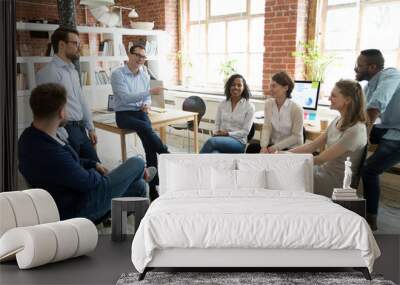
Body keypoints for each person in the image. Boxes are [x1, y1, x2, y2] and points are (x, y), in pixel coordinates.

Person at [18, 83, 156, 221]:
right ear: (61, 112)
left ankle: (116, 215)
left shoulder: (29, 137)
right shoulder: (50, 152)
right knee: (137, 162)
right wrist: (100, 175)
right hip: (76, 208)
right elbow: (87, 182)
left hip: (68, 196)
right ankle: (141, 173)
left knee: (139, 187)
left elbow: (69, 163)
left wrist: (93, 164)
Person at [289, 79, 367, 198]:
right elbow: (312, 146)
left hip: (336, 183)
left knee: (288, 176)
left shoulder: (355, 130)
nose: (329, 98)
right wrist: (285, 153)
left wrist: (289, 160)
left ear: (347, 100)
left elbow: (320, 159)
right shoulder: (337, 119)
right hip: (323, 171)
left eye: (333, 96)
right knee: (287, 173)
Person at [110, 43, 169, 201]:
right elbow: (125, 97)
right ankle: (165, 152)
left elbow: (147, 98)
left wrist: (147, 103)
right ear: (130, 55)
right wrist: (149, 92)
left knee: (149, 146)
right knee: (146, 127)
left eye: (143, 57)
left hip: (140, 111)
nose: (141, 59)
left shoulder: (144, 74)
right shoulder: (118, 74)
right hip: (123, 114)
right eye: (138, 55)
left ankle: (153, 188)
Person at [36, 26, 99, 163]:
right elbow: (49, 111)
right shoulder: (49, 73)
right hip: (66, 131)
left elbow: (81, 101)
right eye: (75, 43)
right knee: (76, 173)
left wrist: (91, 127)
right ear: (62, 44)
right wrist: (61, 136)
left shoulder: (73, 71)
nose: (79, 47)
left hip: (80, 129)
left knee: (96, 167)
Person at [354, 49, 400, 230]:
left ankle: (371, 220)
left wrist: (362, 134)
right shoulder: (368, 86)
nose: (355, 69)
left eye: (359, 65)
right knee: (351, 150)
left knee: (369, 170)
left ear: (372, 67)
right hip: (386, 128)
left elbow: (375, 107)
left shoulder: (391, 75)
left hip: (397, 133)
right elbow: (361, 113)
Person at [246, 71, 303, 153]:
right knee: (251, 148)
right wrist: (264, 147)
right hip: (272, 146)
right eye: (270, 86)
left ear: (286, 88)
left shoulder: (296, 109)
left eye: (274, 86)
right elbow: (267, 127)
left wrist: (275, 148)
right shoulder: (269, 104)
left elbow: (296, 137)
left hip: (290, 149)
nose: (270, 89)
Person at [200, 74, 255, 153]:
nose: (236, 87)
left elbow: (245, 132)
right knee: (214, 154)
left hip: (238, 142)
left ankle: (193, 164)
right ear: (229, 86)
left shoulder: (249, 106)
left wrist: (228, 134)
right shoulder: (222, 104)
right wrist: (216, 134)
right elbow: (217, 124)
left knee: (211, 142)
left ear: (244, 88)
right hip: (220, 139)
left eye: (239, 85)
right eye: (233, 85)